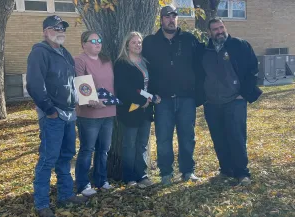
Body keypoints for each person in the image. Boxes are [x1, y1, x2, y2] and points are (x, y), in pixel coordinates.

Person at [26, 15, 87, 217]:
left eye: (63, 28)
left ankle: (65, 195)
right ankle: (42, 204)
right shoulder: (39, 53)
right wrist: (49, 110)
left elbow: (72, 82)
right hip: (53, 115)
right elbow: (35, 84)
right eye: (55, 27)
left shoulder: (65, 53)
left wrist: (80, 99)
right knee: (48, 159)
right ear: (45, 31)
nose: (60, 31)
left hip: (69, 114)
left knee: (66, 156)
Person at [142, 5, 203, 185]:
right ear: (161, 19)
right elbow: (143, 70)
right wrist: (151, 94)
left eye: (174, 16)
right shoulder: (150, 42)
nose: (171, 19)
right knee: (163, 138)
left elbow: (201, 67)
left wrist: (197, 94)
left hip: (186, 99)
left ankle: (187, 171)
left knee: (187, 137)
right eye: (167, 16)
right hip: (163, 100)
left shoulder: (189, 40)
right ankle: (166, 173)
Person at [198, 18, 262, 186]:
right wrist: (203, 96)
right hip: (211, 103)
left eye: (221, 27)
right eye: (215, 29)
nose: (219, 31)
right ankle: (226, 170)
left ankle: (242, 173)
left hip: (235, 101)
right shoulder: (204, 50)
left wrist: (245, 94)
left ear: (225, 27)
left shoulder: (240, 45)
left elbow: (253, 69)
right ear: (209, 33)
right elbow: (198, 74)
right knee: (219, 138)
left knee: (236, 137)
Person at [114, 32, 161, 188]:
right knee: (129, 144)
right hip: (130, 110)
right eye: (133, 42)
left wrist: (154, 96)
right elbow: (122, 88)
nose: (137, 45)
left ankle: (142, 175)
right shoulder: (121, 63)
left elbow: (150, 85)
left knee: (142, 144)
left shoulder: (146, 62)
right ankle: (129, 178)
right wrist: (141, 101)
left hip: (146, 111)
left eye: (139, 42)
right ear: (127, 45)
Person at [74, 31, 116, 197]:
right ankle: (83, 184)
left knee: (103, 149)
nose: (98, 43)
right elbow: (81, 85)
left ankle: (101, 180)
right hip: (89, 114)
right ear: (84, 44)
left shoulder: (106, 61)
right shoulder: (79, 60)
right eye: (93, 41)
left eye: (99, 40)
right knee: (87, 149)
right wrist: (93, 101)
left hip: (108, 111)